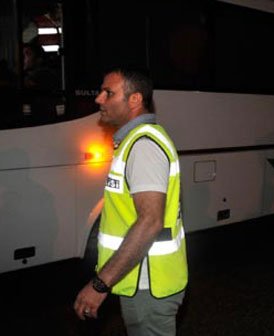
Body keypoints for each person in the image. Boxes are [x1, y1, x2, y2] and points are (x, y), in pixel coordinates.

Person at [74, 68, 187, 336]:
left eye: (108, 93)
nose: (99, 99)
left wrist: (100, 284)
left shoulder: (144, 146)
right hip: (142, 280)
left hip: (150, 285)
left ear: (135, 100)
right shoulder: (134, 142)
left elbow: (150, 222)